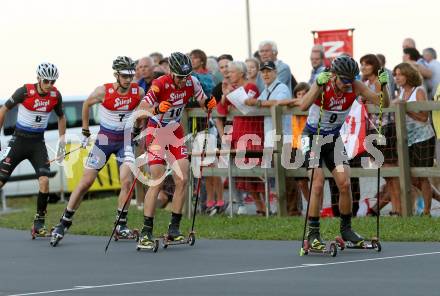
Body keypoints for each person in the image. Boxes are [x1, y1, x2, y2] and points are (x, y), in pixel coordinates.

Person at [293, 55, 389, 249]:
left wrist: (384, 86)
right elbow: (302, 106)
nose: (347, 84)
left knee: (344, 183)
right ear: (334, 75)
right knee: (317, 184)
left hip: (333, 139)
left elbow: (382, 104)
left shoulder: (355, 85)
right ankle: (313, 233)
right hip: (312, 137)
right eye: (344, 80)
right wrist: (316, 85)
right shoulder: (323, 83)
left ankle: (346, 229)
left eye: (351, 79)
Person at [51, 56, 144, 243]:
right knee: (86, 182)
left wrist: (138, 128)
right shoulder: (104, 91)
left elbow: (144, 110)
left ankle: (120, 225)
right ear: (116, 75)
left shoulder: (138, 91)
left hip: (125, 141)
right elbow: (86, 104)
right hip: (104, 140)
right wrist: (85, 131)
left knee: (126, 181)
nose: (128, 79)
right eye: (125, 76)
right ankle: (64, 221)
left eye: (131, 76)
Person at [137, 52, 216, 247]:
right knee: (157, 178)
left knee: (183, 178)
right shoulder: (160, 83)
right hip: (156, 131)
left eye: (186, 76)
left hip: (175, 132)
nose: (183, 81)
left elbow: (202, 100)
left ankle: (174, 229)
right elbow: (142, 107)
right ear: (172, 72)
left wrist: (208, 103)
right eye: (180, 77)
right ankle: (146, 231)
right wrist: (156, 110)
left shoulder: (192, 82)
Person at [0, 62, 66, 237]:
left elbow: (61, 117)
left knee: (44, 181)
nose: (49, 85)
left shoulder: (55, 95)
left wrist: (61, 141)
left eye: (53, 81)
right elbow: (3, 110)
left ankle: (39, 223)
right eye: (46, 81)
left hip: (37, 143)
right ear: (38, 78)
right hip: (19, 141)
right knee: (1, 179)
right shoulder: (24, 91)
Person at [217, 61, 264, 215]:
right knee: (244, 174)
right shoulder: (234, 89)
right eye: (228, 72)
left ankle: (267, 207)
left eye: (231, 72)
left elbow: (246, 106)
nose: (228, 74)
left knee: (257, 172)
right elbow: (221, 111)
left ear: (241, 73)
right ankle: (260, 208)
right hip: (238, 134)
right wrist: (225, 95)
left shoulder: (251, 87)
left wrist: (230, 95)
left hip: (252, 134)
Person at [394, 62, 435, 215]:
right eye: (395, 75)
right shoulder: (400, 93)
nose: (397, 78)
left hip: (424, 138)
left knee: (422, 176)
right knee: (409, 175)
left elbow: (424, 117)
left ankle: (426, 211)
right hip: (408, 139)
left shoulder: (418, 90)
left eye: (400, 74)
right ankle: (432, 199)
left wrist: (405, 110)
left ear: (408, 74)